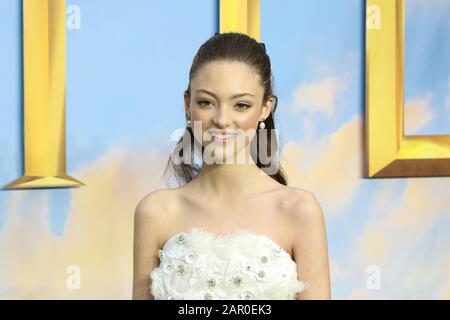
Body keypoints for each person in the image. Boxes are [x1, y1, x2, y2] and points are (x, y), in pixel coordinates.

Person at [132, 32, 331, 300]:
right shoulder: (155, 212)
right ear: (187, 104)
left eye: (241, 105)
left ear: (265, 108)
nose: (222, 120)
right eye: (206, 102)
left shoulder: (299, 210)